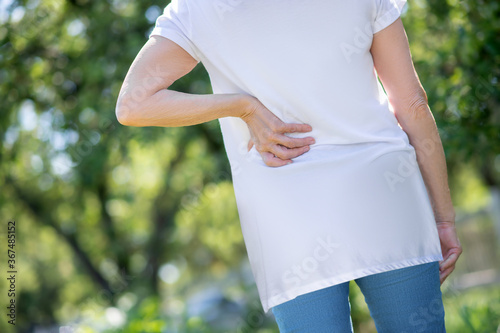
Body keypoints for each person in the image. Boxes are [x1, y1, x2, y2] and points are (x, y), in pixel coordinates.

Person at [115, 0, 463, 331]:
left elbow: (133, 104)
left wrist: (243, 107)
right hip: (386, 194)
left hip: (287, 217)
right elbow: (412, 104)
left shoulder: (198, 8)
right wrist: (444, 218)